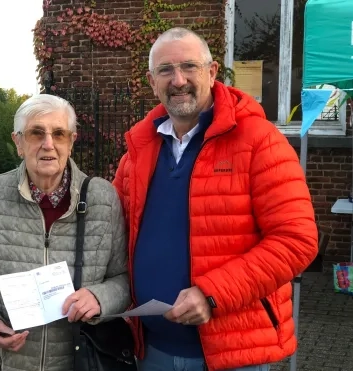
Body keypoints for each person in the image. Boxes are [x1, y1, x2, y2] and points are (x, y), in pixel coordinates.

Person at [112, 27, 318, 371]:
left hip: (232, 355)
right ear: (152, 81)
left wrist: (212, 294)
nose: (178, 80)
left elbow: (296, 240)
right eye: (165, 70)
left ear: (211, 72)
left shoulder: (259, 140)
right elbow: (113, 234)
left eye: (189, 67)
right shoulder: (138, 149)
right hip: (152, 350)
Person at [0, 94, 130, 371]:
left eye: (59, 134)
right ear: (18, 143)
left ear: (71, 142)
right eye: (36, 133)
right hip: (3, 363)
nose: (48, 144)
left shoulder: (102, 198)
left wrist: (100, 297)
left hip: (75, 362)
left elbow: (123, 280)